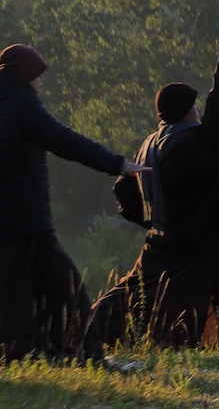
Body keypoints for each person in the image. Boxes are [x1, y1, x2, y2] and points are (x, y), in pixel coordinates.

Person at [100, 19, 219, 348]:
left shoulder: (149, 145)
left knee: (135, 292)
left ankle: (83, 326)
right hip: (202, 244)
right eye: (193, 104)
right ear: (184, 110)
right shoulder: (197, 141)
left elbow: (125, 190)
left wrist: (153, 222)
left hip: (163, 243)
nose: (198, 108)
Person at [0, 43, 146, 362]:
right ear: (25, 74)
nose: (41, 82)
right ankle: (86, 354)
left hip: (9, 224)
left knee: (15, 295)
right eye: (38, 74)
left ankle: (26, 354)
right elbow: (64, 140)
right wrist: (117, 163)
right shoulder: (23, 104)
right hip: (27, 221)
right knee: (67, 290)